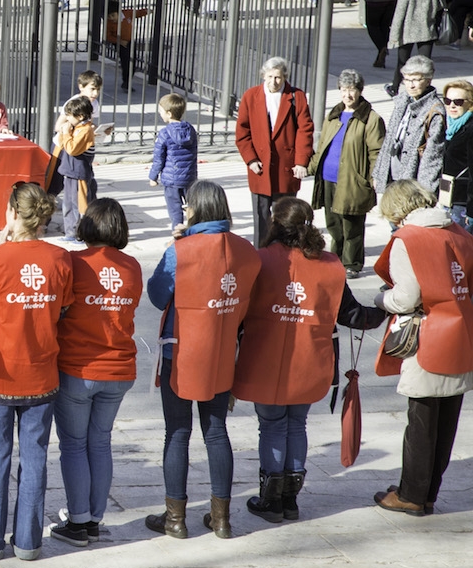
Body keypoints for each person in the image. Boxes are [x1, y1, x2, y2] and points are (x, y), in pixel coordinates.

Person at [232, 197, 382, 523]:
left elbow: (238, 313)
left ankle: (270, 501)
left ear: (275, 223)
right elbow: (352, 314)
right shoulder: (329, 265)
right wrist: (386, 308)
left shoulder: (260, 261)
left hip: (265, 360)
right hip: (310, 361)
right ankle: (290, 500)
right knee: (296, 424)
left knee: (271, 426)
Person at [144, 180, 261, 540]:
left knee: (177, 433)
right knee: (216, 432)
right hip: (223, 350)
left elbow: (156, 294)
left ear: (195, 209)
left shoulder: (182, 250)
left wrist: (174, 246)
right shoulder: (246, 251)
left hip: (180, 351)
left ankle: (175, 519)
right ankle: (222, 519)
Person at [0, 182, 73, 560]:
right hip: (42, 373)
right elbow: (64, 306)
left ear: (13, 214)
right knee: (34, 458)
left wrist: (4, 247)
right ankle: (29, 541)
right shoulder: (60, 259)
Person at [371, 179, 473, 516]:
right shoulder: (458, 231)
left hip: (428, 334)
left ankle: (410, 494)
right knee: (446, 420)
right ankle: (429, 492)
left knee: (421, 420)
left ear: (397, 211)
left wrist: (379, 299)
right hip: (461, 332)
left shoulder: (408, 239)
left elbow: (406, 297)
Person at [48, 198, 141, 548]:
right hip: (118, 369)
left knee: (74, 445)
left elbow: (58, 309)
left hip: (78, 367)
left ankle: (78, 521)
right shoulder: (131, 266)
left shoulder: (73, 263)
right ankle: (93, 519)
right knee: (100, 442)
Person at [307, 69, 385, 278]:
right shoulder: (333, 115)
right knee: (333, 224)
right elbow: (323, 143)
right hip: (329, 178)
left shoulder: (371, 119)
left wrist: (374, 178)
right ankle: (335, 260)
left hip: (353, 180)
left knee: (352, 226)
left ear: (359, 91)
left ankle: (352, 264)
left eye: (352, 90)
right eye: (344, 90)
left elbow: (376, 151)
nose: (347, 95)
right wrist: (310, 167)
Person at [235, 56, 314, 246]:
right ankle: (262, 252)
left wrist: (301, 162)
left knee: (286, 215)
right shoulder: (251, 96)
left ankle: (285, 249)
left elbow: (305, 130)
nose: (274, 82)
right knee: (261, 216)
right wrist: (251, 159)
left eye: (278, 77)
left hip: (286, 168)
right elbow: (242, 132)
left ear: (285, 77)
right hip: (260, 167)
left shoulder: (297, 96)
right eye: (270, 77)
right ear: (263, 76)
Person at [374, 55, 445, 197]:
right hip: (392, 176)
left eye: (416, 80)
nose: (411, 85)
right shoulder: (402, 101)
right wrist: (378, 173)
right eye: (407, 79)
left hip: (413, 184)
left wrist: (426, 193)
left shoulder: (434, 111)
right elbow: (388, 140)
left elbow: (433, 157)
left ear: (428, 80)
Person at [386, 0, 443, 97]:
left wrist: (393, 36)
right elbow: (440, 5)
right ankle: (425, 90)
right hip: (427, 28)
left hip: (408, 29)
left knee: (402, 61)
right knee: (425, 64)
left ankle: (394, 87)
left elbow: (400, 11)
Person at [149, 93, 198, 232]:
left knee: (175, 208)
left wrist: (153, 177)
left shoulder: (164, 133)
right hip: (189, 177)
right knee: (191, 205)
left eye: (161, 112)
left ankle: (177, 232)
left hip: (172, 179)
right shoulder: (190, 130)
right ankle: (193, 229)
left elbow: (159, 158)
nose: (160, 115)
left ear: (169, 114)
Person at [55, 95, 96, 242]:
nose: (67, 119)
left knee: (80, 204)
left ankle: (81, 233)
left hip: (79, 173)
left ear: (80, 116)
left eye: (69, 116)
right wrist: (64, 132)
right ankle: (70, 232)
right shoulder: (76, 127)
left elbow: (72, 149)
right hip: (70, 171)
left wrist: (66, 133)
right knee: (68, 203)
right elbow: (63, 144)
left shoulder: (85, 130)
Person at [438, 80, 473, 228]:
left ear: (469, 103)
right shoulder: (450, 125)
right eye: (447, 100)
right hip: (448, 196)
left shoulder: (470, 129)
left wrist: (471, 211)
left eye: (458, 102)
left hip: (463, 201)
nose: (451, 105)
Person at [106, 0, 148, 88]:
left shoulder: (127, 13)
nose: (112, 18)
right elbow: (108, 36)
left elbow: (137, 13)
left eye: (113, 15)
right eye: (109, 16)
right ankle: (126, 81)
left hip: (130, 41)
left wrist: (146, 11)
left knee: (132, 61)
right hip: (119, 43)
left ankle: (128, 79)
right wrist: (119, 41)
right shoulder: (109, 23)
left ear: (119, 12)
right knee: (126, 62)